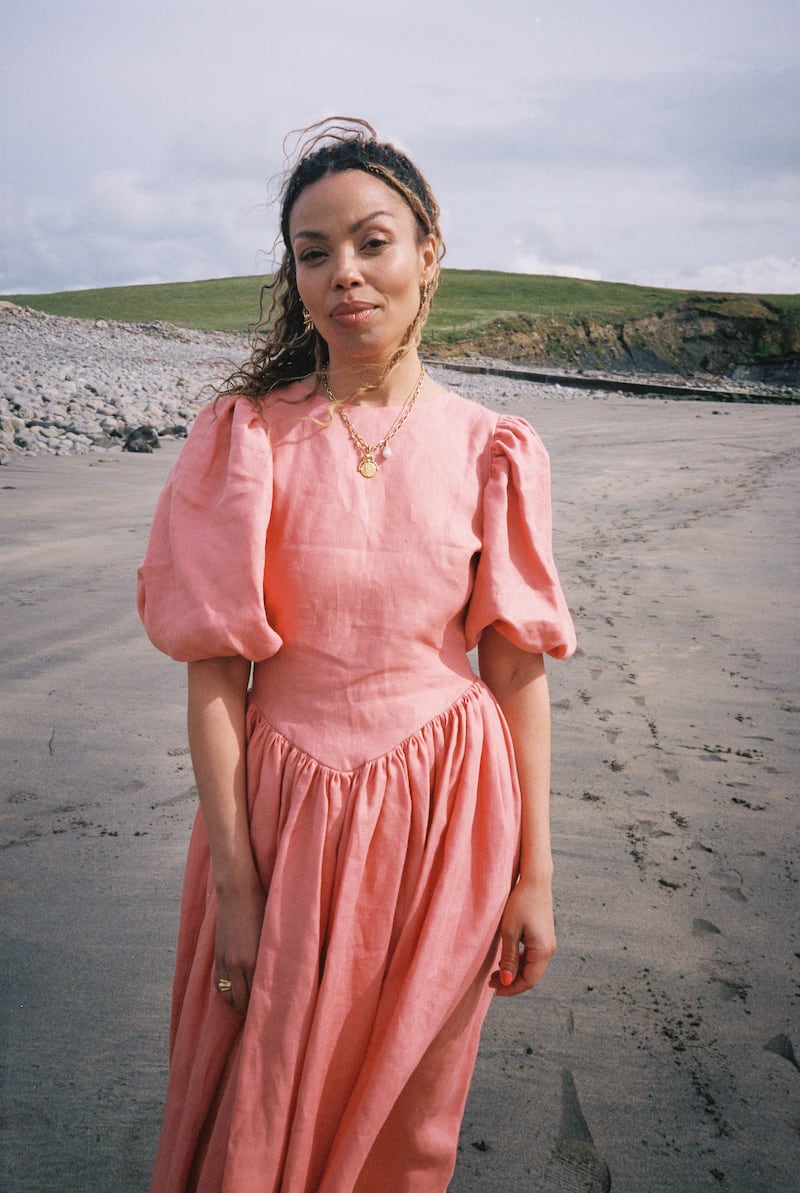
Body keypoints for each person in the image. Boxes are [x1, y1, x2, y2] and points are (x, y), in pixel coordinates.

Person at [137, 116, 576, 1193]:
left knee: (404, 1121)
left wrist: (534, 875)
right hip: (280, 816)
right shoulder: (242, 437)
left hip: (444, 820)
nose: (344, 274)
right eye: (312, 250)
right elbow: (215, 675)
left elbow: (512, 671)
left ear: (428, 253)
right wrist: (237, 885)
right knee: (252, 1099)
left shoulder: (494, 449)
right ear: (293, 274)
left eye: (372, 242)